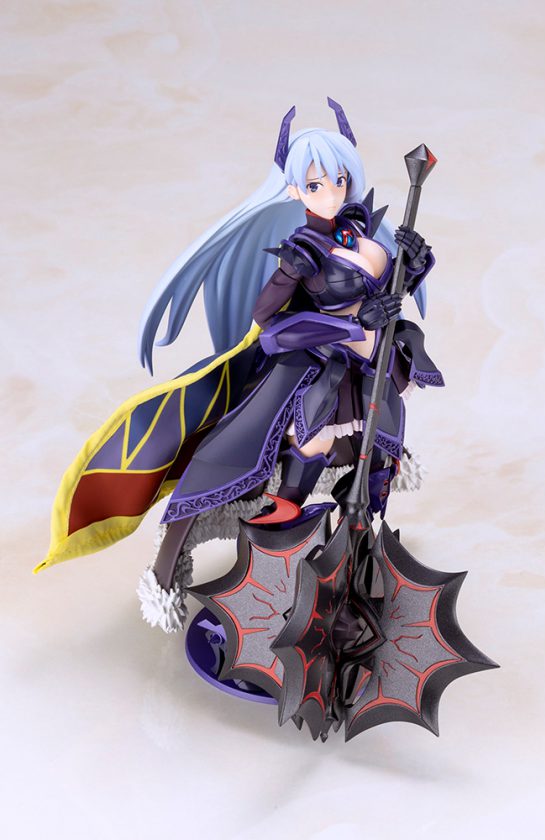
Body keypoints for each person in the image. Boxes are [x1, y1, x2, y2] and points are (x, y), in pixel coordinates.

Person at [38, 99, 442, 631]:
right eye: (315, 184)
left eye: (339, 179)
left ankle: (361, 533)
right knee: (308, 434)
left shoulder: (361, 231)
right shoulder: (302, 254)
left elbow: (391, 287)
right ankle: (286, 514)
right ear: (295, 191)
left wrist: (413, 262)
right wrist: (349, 325)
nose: (331, 191)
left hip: (372, 358)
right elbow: (268, 323)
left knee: (382, 438)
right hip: (323, 361)